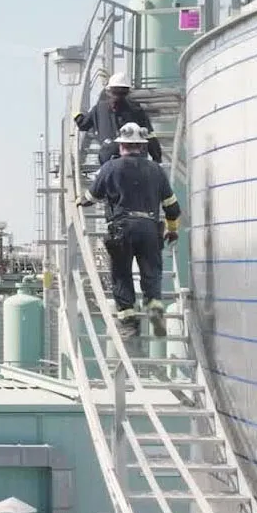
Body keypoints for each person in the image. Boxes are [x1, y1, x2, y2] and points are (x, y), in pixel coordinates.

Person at [76, 122, 181, 352]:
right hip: (150, 228)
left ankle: (129, 324)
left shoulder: (110, 168)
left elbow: (91, 197)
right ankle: (156, 317)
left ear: (122, 145)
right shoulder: (156, 171)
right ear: (142, 147)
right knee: (151, 275)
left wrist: (78, 200)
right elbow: (172, 207)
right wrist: (172, 229)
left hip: (121, 228)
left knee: (122, 275)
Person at [73, 73, 162, 165]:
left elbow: (83, 125)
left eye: (121, 93)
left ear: (108, 91)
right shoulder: (136, 109)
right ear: (128, 92)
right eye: (116, 92)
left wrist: (76, 113)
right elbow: (149, 135)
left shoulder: (99, 109)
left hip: (109, 160)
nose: (118, 96)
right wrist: (157, 159)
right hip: (134, 162)